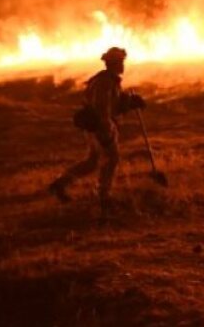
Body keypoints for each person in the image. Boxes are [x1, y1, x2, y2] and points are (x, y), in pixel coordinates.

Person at [47, 46, 146, 213]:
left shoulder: (109, 80)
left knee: (92, 162)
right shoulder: (105, 82)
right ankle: (104, 196)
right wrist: (106, 132)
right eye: (120, 61)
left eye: (123, 61)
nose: (123, 65)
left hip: (97, 127)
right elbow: (103, 109)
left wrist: (130, 101)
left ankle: (60, 184)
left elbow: (115, 103)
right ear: (112, 63)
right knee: (112, 159)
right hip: (101, 127)